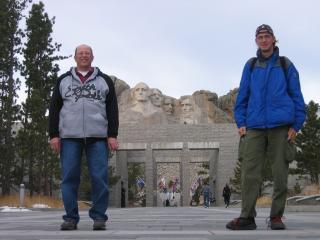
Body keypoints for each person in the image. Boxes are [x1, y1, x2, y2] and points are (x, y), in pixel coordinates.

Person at [226, 24, 306, 230]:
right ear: (256, 41)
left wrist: (296, 125)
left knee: (280, 173)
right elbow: (242, 96)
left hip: (281, 127)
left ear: (273, 39)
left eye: (267, 36)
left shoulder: (285, 64)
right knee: (249, 173)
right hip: (254, 127)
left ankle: (276, 217)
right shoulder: (250, 65)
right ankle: (247, 217)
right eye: (260, 36)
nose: (263, 39)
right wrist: (241, 122)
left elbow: (297, 97)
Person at [49, 44, 119, 231]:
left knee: (100, 178)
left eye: (87, 53)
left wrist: (112, 135)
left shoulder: (104, 81)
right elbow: (54, 108)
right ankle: (71, 218)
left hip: (97, 137)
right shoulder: (63, 80)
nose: (84, 56)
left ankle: (99, 217)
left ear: (92, 57)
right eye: (81, 53)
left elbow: (112, 110)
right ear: (75, 57)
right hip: (70, 137)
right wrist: (54, 135)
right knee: (69, 178)